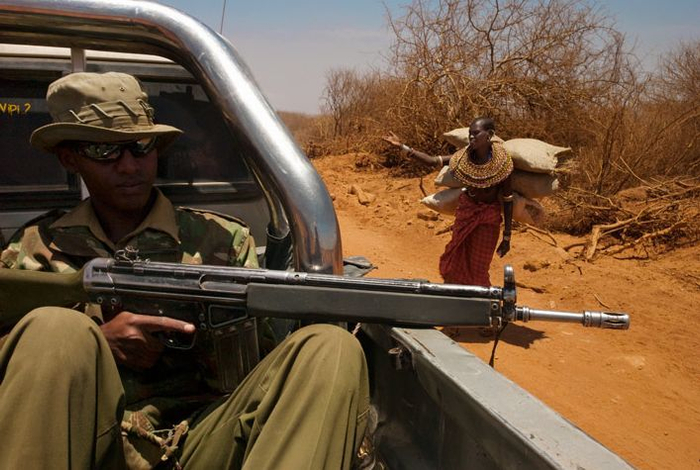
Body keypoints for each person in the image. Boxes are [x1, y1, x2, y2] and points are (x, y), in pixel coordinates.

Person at [0, 72, 369, 469]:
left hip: (201, 439)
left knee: (332, 347)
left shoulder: (220, 240)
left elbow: (259, 370)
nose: (129, 166)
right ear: (69, 158)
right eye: (103, 150)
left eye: (141, 146)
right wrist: (98, 343)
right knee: (56, 330)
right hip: (85, 442)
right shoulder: (35, 247)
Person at [383, 117, 513, 287]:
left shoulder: (502, 164)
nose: (471, 137)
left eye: (476, 134)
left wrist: (507, 236)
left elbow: (508, 199)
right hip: (466, 213)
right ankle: (454, 297)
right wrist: (402, 146)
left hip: (488, 220)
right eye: (470, 134)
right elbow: (431, 161)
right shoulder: (463, 158)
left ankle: (480, 300)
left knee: (479, 268)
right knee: (456, 260)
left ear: (489, 134)